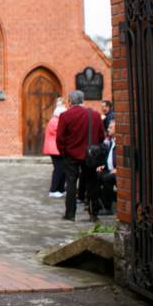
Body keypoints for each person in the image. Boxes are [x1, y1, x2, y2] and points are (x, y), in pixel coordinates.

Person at [56, 90, 105, 222]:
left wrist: (63, 152)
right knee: (92, 182)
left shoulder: (65, 116)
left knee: (71, 183)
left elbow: (60, 138)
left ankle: (70, 214)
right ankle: (93, 213)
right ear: (83, 100)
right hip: (90, 155)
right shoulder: (94, 115)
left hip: (71, 155)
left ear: (70, 101)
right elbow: (101, 135)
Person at [42, 98, 67, 198]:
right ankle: (53, 190)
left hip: (57, 149)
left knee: (62, 169)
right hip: (55, 149)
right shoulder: (56, 121)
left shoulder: (56, 120)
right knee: (58, 169)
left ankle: (61, 189)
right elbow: (61, 134)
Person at [96, 119, 117, 215]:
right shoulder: (111, 141)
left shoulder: (119, 142)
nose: (108, 129)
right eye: (108, 127)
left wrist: (118, 169)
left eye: (110, 127)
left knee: (107, 178)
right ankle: (98, 204)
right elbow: (109, 157)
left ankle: (108, 208)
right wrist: (103, 166)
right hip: (109, 169)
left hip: (117, 172)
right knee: (95, 175)